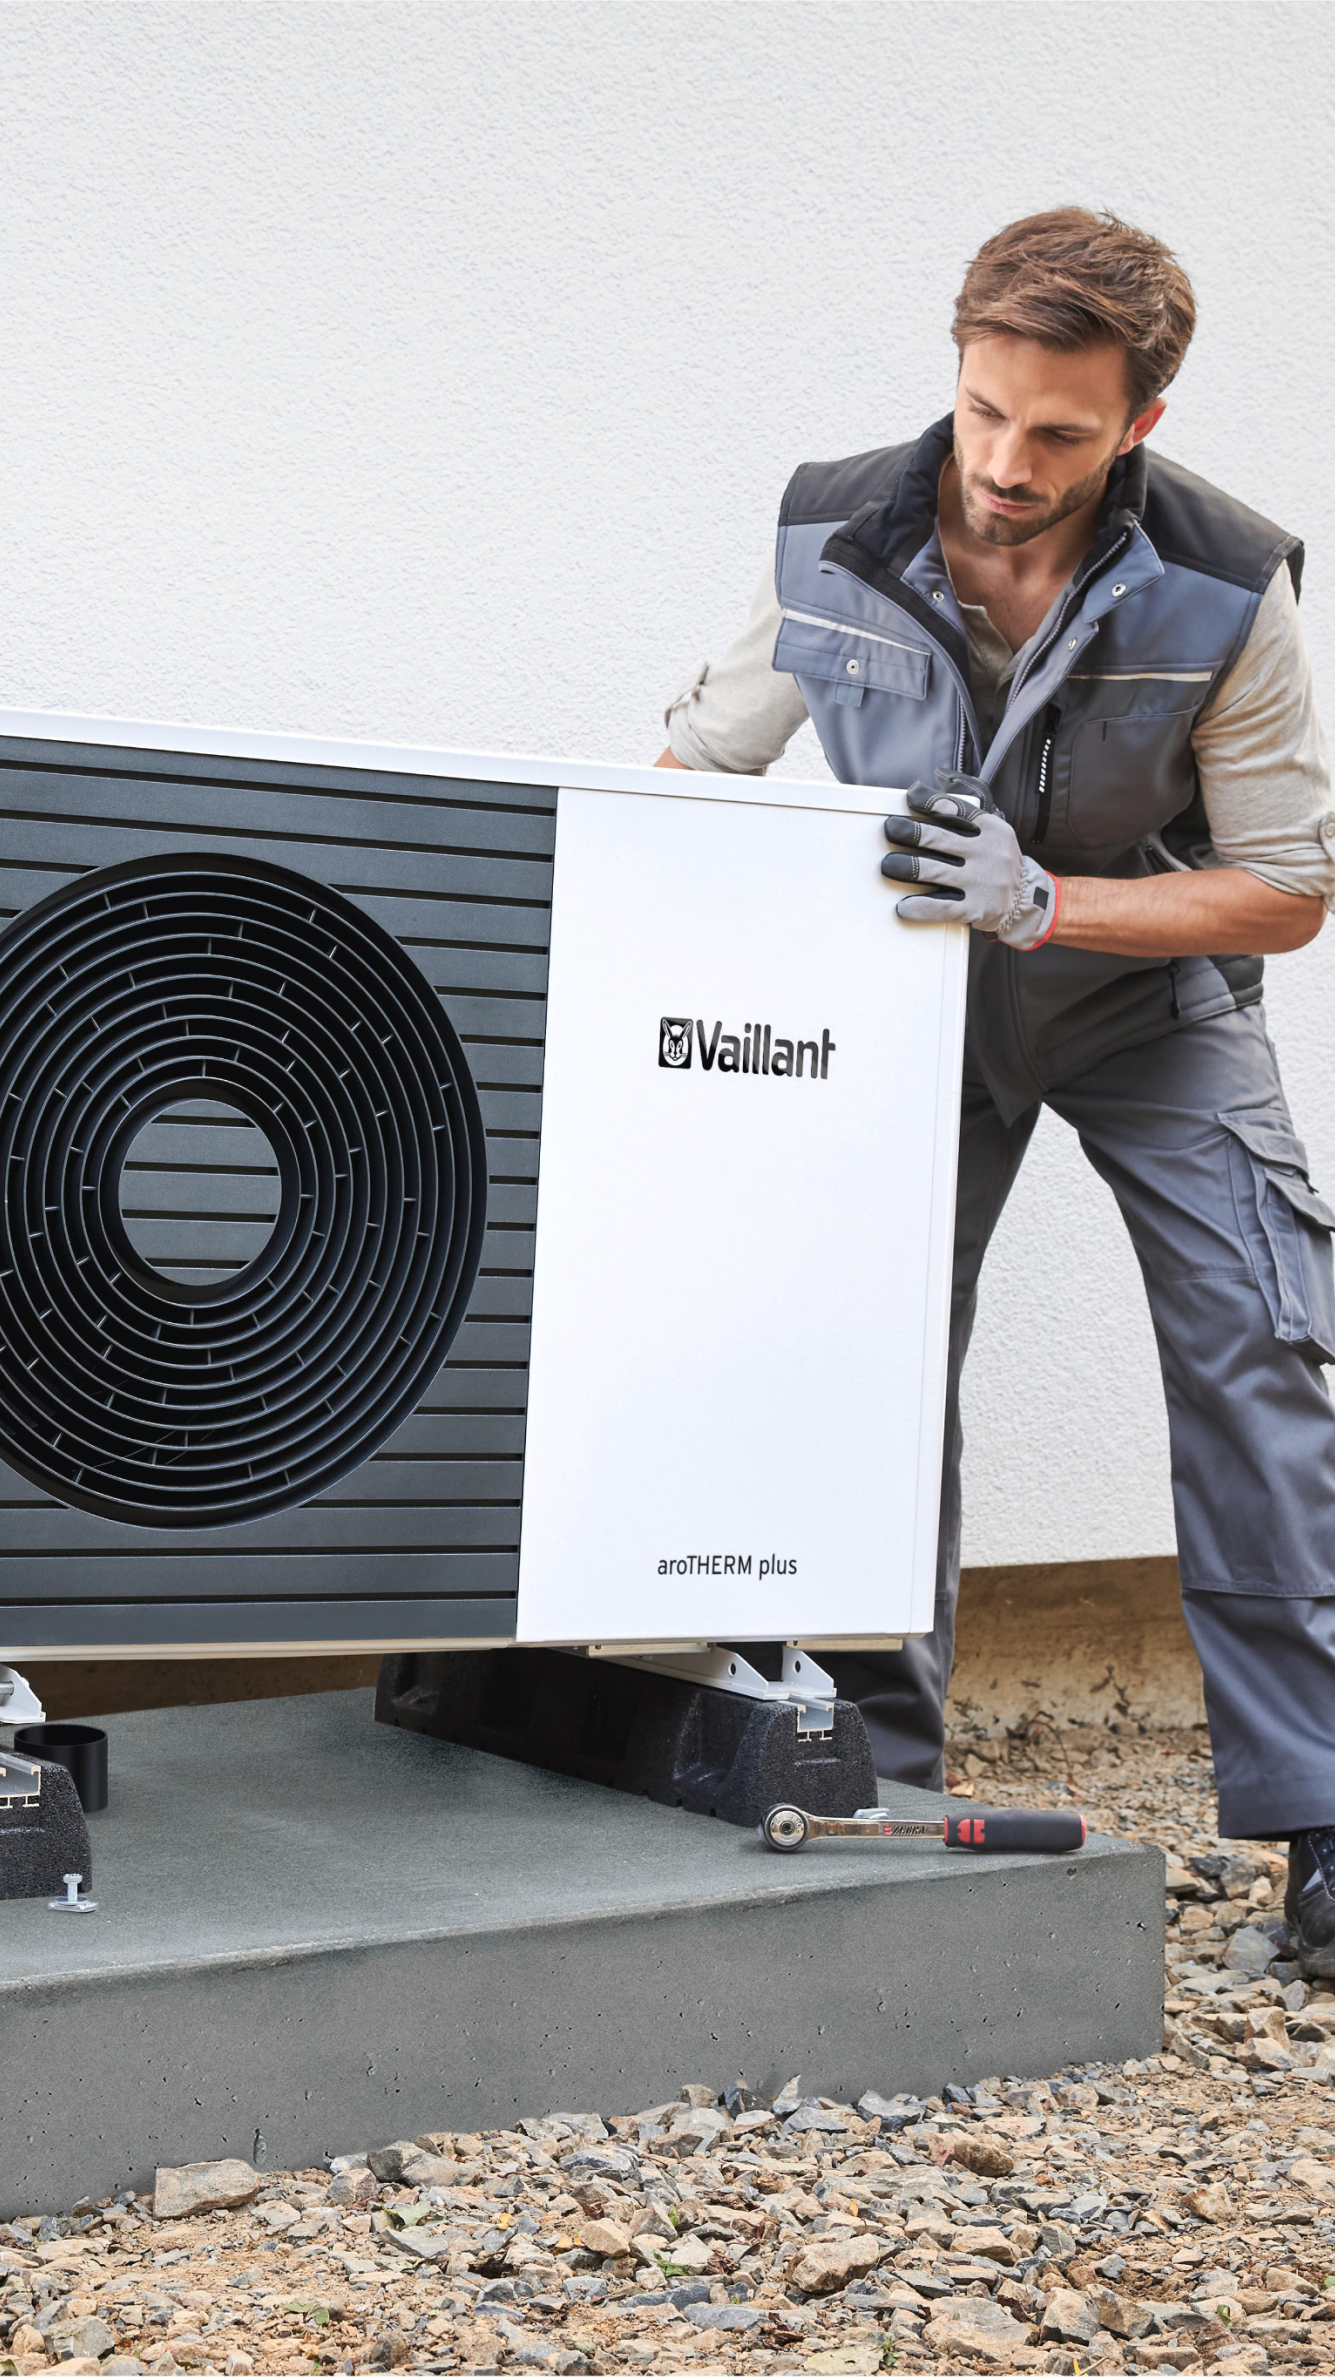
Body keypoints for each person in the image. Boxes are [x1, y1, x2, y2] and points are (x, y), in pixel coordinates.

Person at [657, 209, 1335, 1976]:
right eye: (982, 415)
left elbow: (1288, 885)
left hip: (1146, 998)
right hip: (906, 1005)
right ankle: (868, 1789)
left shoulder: (1226, 584)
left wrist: (1053, 903)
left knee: (1260, 1339)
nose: (1004, 466)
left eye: (1057, 435)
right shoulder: (835, 531)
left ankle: (1325, 1826)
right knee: (872, 1365)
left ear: (1139, 428)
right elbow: (695, 770)